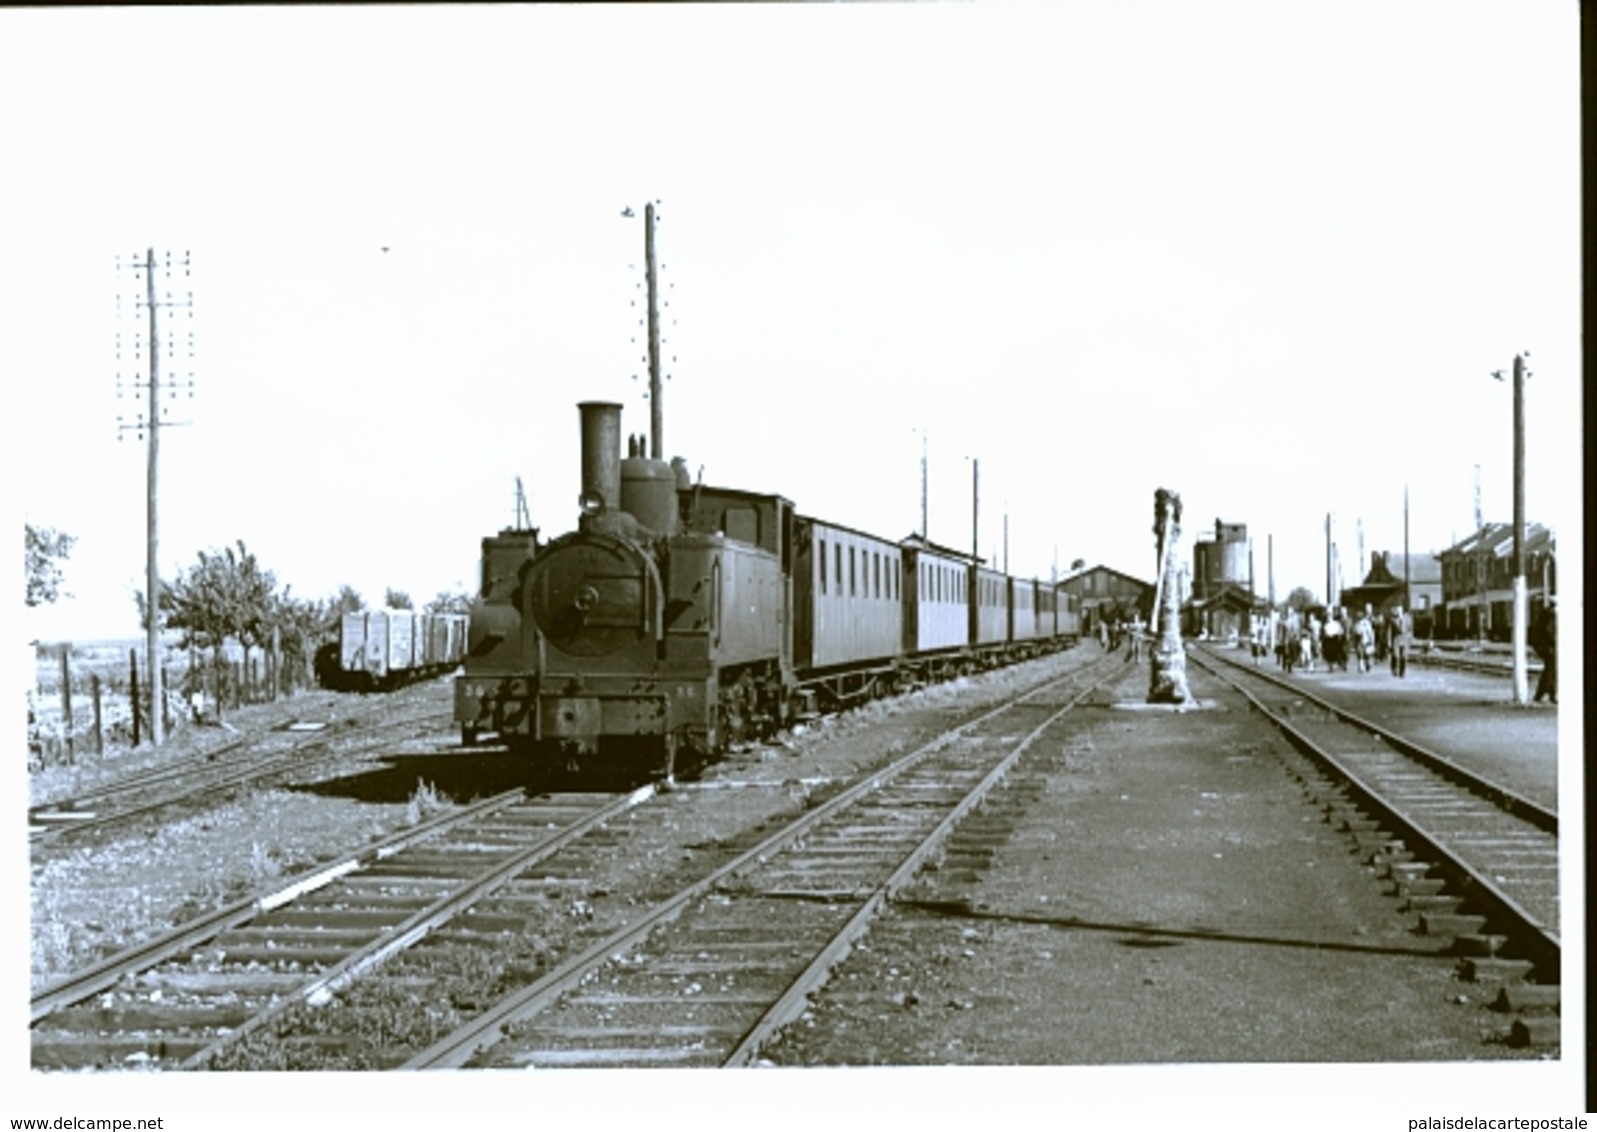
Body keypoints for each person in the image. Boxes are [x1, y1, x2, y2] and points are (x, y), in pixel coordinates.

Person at [1530, 597, 1557, 704]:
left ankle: (1546, 693)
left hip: (1543, 644)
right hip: (1547, 645)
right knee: (1551, 668)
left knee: (1551, 668)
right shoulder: (1550, 614)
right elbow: (1549, 632)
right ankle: (1546, 694)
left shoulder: (1546, 613)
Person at [1388, 605, 1412, 677]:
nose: (1398, 612)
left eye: (1400, 610)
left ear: (1402, 611)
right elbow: (1389, 631)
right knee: (1396, 655)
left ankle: (1402, 672)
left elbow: (1410, 629)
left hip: (1405, 639)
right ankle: (1394, 669)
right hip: (1396, 639)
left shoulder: (1407, 619)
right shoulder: (1393, 620)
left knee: (1404, 656)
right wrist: (1389, 641)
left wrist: (1410, 640)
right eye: (1397, 611)